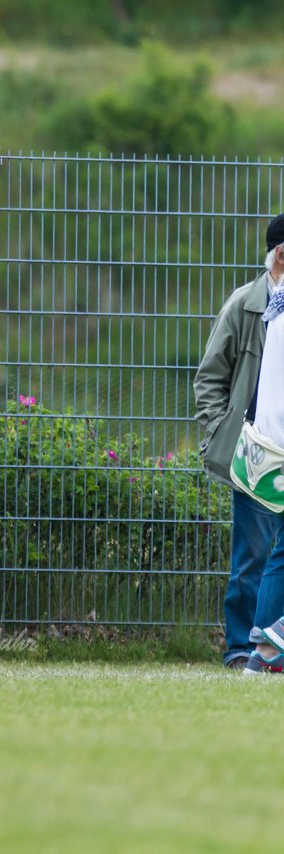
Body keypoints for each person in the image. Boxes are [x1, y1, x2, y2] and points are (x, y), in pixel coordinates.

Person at [194, 213, 284, 669]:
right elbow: (210, 377)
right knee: (252, 555)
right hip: (256, 452)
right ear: (281, 253)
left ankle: (271, 651)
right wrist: (221, 434)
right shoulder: (244, 305)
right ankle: (240, 649)